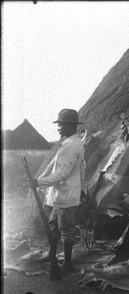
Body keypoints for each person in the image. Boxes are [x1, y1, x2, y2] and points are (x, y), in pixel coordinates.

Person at [28, 108, 87, 273]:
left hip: (67, 196)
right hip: (62, 195)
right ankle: (51, 254)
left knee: (67, 229)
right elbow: (79, 167)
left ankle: (68, 263)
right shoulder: (71, 143)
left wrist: (40, 182)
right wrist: (39, 179)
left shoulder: (71, 146)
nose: (58, 127)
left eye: (60, 125)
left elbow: (61, 174)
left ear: (69, 126)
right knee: (53, 226)